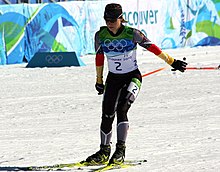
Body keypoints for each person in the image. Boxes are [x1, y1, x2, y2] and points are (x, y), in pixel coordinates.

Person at [85, 3, 187, 165]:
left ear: (121, 19)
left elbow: (153, 48)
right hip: (113, 79)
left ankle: (120, 150)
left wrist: (172, 61)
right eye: (107, 19)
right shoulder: (100, 35)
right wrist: (99, 80)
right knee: (107, 115)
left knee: (122, 108)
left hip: (132, 77)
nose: (109, 23)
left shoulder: (132, 34)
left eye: (113, 19)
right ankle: (104, 151)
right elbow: (99, 57)